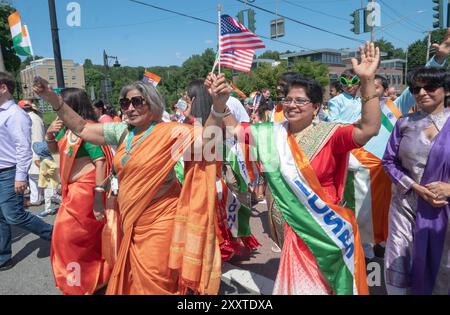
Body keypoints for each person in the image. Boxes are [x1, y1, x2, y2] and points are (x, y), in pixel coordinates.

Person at [207, 42, 381, 295]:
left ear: (316, 107)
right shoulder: (272, 134)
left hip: (327, 232)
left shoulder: (330, 135)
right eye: (287, 99)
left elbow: (368, 128)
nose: (291, 105)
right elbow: (234, 129)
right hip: (295, 231)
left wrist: (367, 81)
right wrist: (220, 103)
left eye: (300, 100)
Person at [33, 75, 230, 295]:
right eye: (125, 103)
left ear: (153, 104)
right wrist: (52, 98)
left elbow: (207, 142)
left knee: (157, 281)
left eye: (137, 102)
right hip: (130, 221)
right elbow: (82, 128)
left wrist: (218, 105)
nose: (130, 108)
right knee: (136, 280)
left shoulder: (170, 131)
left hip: (161, 220)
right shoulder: (123, 132)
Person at [382, 67, 450, 295]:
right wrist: (413, 186)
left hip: (443, 210)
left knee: (441, 270)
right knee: (399, 263)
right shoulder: (404, 123)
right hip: (406, 205)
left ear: (445, 89)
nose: (422, 93)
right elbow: (389, 162)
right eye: (415, 88)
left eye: (429, 87)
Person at [44, 88, 115, 294]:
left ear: (72, 106)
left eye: (61, 104)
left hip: (85, 190)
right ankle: (82, 278)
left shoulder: (88, 128)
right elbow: (57, 152)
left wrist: (99, 196)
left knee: (69, 236)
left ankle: (87, 279)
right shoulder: (66, 129)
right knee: (71, 239)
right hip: (72, 189)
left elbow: (100, 161)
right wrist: (49, 136)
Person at [0, 72, 52, 271]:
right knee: (2, 217)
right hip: (2, 170)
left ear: (4, 88)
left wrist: (20, 176)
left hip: (9, 171)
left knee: (14, 215)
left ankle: (55, 234)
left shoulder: (15, 114)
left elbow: (23, 147)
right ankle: (3, 257)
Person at [19, 99, 45, 207]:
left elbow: (37, 139)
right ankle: (36, 198)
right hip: (34, 151)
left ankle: (36, 198)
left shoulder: (32, 119)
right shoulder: (32, 117)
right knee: (34, 175)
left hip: (35, 151)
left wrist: (37, 155)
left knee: (35, 175)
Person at [32, 141, 59, 218]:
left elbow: (54, 166)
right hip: (47, 181)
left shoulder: (46, 160)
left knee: (52, 195)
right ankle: (48, 209)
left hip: (50, 181)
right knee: (47, 196)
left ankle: (63, 201)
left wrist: (47, 172)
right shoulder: (46, 159)